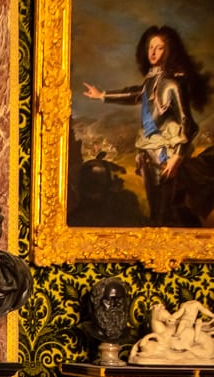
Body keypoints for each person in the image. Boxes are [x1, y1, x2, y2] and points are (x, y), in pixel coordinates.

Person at [83, 25, 211, 226]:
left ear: (168, 51)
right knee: (155, 211)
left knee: (164, 213)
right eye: (150, 47)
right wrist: (102, 95)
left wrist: (177, 156)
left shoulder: (171, 84)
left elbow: (187, 122)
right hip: (147, 154)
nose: (152, 52)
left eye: (159, 48)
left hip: (165, 155)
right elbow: (134, 94)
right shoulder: (150, 81)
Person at [83, 277, 130, 343]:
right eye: (108, 301)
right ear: (97, 302)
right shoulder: (90, 328)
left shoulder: (127, 331)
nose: (115, 305)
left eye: (120, 300)